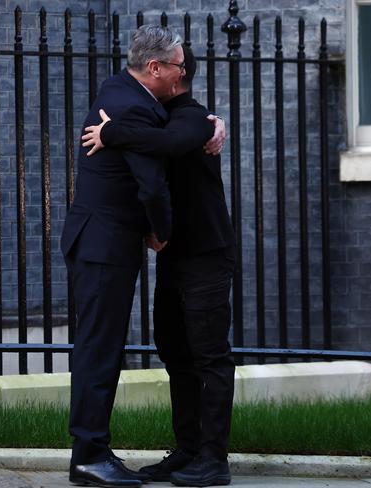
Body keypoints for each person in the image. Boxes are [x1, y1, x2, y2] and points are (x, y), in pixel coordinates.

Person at [81, 44, 236, 487]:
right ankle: (187, 450)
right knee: (175, 352)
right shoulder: (158, 115)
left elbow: (168, 143)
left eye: (169, 69)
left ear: (176, 75)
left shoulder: (194, 117)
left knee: (209, 356)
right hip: (174, 253)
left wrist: (112, 134)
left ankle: (214, 458)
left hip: (206, 253)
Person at [61, 25, 186, 488]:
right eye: (178, 67)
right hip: (105, 244)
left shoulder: (118, 90)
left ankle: (89, 450)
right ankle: (89, 454)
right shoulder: (135, 105)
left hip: (98, 241)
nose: (182, 74)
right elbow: (152, 184)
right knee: (99, 349)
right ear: (154, 68)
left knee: (100, 346)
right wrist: (161, 229)